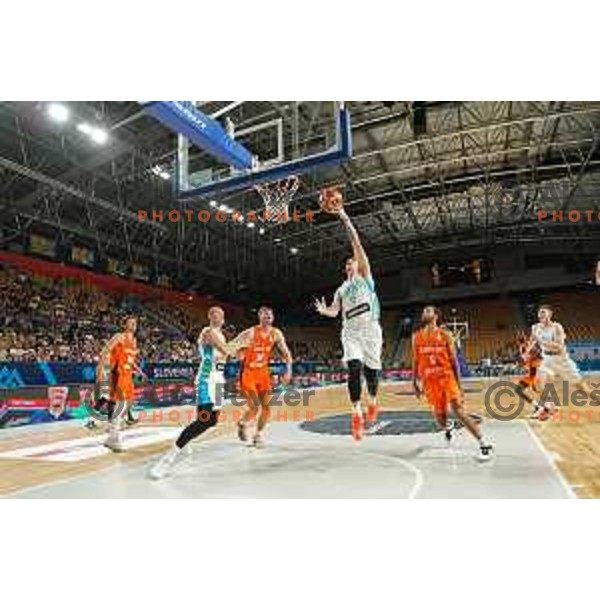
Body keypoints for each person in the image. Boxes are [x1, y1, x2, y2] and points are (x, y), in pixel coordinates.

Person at [314, 200, 382, 441]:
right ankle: (356, 414)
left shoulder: (365, 276)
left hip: (371, 330)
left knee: (372, 374)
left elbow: (356, 242)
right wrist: (325, 312)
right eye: (347, 264)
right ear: (346, 269)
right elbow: (335, 311)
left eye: (353, 261)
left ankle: (372, 402)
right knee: (354, 368)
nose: (350, 264)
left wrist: (343, 215)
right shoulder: (341, 289)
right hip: (351, 331)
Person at [149, 306, 234, 479]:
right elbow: (223, 349)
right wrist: (234, 351)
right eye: (217, 314)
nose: (220, 317)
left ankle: (185, 437)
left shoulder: (223, 336)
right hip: (206, 379)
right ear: (210, 316)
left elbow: (225, 356)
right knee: (204, 420)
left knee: (211, 421)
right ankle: (167, 459)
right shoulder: (207, 331)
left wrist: (232, 352)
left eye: (222, 314)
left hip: (218, 380)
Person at [413, 306, 493, 461]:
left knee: (458, 410)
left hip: (447, 378)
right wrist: (414, 382)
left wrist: (459, 384)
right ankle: (448, 426)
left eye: (428, 311)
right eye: (423, 311)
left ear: (436, 315)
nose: (424, 313)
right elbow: (416, 360)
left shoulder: (445, 335)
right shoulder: (416, 337)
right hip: (429, 381)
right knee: (440, 419)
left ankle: (483, 444)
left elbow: (454, 361)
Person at [235, 306, 293, 447]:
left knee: (267, 407)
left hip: (263, 373)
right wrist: (239, 354)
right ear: (259, 317)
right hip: (248, 373)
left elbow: (287, 355)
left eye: (270, 316)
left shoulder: (276, 334)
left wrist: (288, 371)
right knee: (255, 407)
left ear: (273, 318)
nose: (268, 317)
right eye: (265, 315)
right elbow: (234, 346)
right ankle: (242, 423)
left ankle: (258, 435)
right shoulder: (250, 333)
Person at [530, 305, 592, 414]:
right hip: (547, 359)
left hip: (562, 360)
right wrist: (526, 352)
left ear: (550, 314)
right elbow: (532, 341)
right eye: (539, 313)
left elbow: (558, 346)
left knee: (582, 389)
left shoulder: (557, 327)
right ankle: (550, 406)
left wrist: (541, 340)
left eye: (544, 312)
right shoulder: (535, 327)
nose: (541, 315)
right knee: (538, 383)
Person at [103, 315, 146, 452]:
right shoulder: (119, 336)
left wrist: (139, 371)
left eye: (135, 323)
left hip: (128, 376)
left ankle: (112, 427)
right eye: (131, 322)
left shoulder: (133, 341)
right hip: (118, 374)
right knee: (120, 405)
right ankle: (113, 438)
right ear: (125, 325)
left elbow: (131, 360)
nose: (134, 325)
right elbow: (106, 351)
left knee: (128, 404)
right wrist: (103, 369)